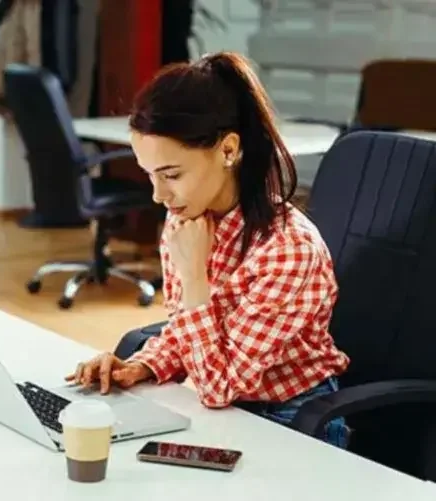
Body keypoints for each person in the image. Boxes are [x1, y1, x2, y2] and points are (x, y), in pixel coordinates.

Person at [65, 51, 351, 448]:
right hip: (221, 407)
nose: (158, 195)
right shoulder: (187, 220)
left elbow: (219, 385)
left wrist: (194, 276)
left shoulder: (289, 250)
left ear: (228, 150)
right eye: (150, 175)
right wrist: (140, 366)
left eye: (172, 175)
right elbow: (189, 333)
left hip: (293, 421)